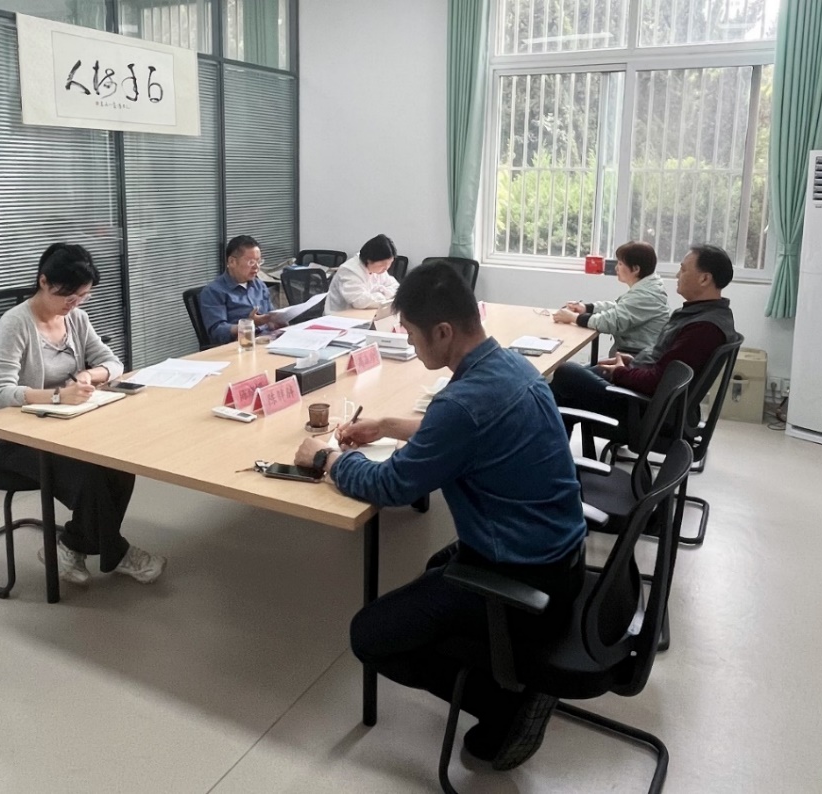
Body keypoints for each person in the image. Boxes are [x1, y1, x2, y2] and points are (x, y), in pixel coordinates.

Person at [295, 262, 588, 771]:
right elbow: (466, 428)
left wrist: (327, 459)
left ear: (444, 331)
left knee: (370, 636)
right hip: (561, 557)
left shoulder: (461, 405)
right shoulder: (511, 366)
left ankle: (508, 706)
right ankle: (502, 664)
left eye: (411, 334)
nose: (410, 345)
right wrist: (389, 425)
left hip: (522, 577)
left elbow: (390, 486)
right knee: (435, 568)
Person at [0, 243, 166, 585]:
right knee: (89, 475)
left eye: (83, 296)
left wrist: (89, 375)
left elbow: (113, 363)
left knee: (119, 466)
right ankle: (119, 553)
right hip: (13, 436)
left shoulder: (76, 319)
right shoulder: (15, 324)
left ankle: (70, 548)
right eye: (69, 296)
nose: (75, 304)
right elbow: (1, 393)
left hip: (64, 426)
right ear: (44, 282)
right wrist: (57, 396)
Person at [550, 244, 737, 428]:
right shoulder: (706, 315)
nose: (677, 275)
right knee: (559, 391)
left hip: (648, 411)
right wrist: (633, 361)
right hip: (650, 397)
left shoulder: (703, 328)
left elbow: (658, 382)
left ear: (704, 279)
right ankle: (551, 443)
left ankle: (548, 442)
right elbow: (665, 365)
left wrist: (621, 372)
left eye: (683, 269)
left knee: (566, 374)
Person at [554, 241, 669, 355]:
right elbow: (619, 307)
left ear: (635, 269)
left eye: (620, 264)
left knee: (566, 366)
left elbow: (610, 322)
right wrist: (586, 308)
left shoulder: (646, 295)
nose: (616, 268)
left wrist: (573, 317)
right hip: (633, 355)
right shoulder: (649, 288)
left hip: (635, 359)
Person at [200, 235, 284, 345]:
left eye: (259, 262)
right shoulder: (214, 291)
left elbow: (270, 316)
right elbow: (217, 331)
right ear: (232, 262)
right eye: (251, 262)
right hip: (240, 346)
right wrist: (248, 325)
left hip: (267, 340)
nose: (256, 267)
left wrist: (277, 321)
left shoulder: (259, 285)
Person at [324, 233, 400, 313]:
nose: (386, 268)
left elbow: (396, 288)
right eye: (382, 264)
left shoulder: (378, 270)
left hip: (365, 313)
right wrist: (383, 294)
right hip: (340, 316)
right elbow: (360, 301)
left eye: (390, 263)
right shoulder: (349, 270)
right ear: (369, 260)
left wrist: (380, 293)